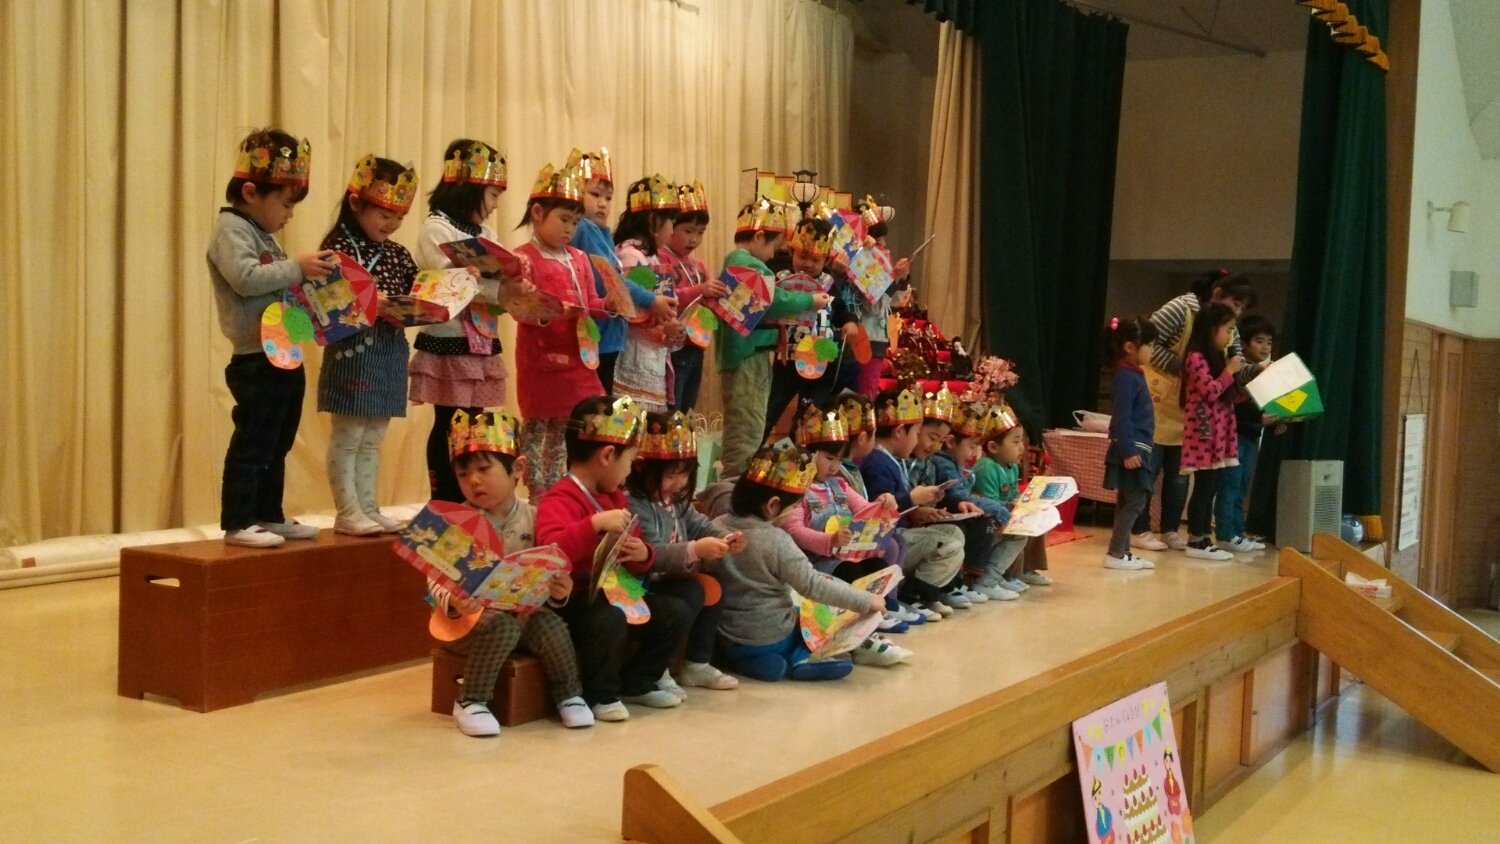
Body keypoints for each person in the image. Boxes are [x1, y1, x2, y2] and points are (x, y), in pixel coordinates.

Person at [433, 410, 593, 736]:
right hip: (469, 623)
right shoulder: (457, 522)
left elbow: (549, 571)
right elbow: (435, 576)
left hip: (522, 613)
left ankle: (569, 695)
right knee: (501, 626)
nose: (473, 480)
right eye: (463, 474)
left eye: (483, 469)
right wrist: (454, 600)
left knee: (551, 624)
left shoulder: (535, 517)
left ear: (517, 468)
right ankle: (470, 701)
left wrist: (558, 591)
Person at [534, 395, 691, 721]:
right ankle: (600, 695)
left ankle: (639, 681)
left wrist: (642, 553)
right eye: (630, 461)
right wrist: (593, 525)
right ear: (607, 455)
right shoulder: (558, 499)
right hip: (575, 600)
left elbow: (638, 545)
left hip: (618, 591)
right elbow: (551, 551)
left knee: (675, 611)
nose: (630, 471)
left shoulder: (615, 496)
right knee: (608, 618)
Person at [209, 129, 332, 548]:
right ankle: (239, 521)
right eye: (285, 203)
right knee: (254, 440)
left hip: (283, 351)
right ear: (250, 192)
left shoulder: (265, 236)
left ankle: (268, 514)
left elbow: (279, 290)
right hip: (255, 357)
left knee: (278, 441)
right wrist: (297, 268)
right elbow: (245, 279)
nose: (289, 215)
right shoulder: (231, 228)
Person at [712, 441, 887, 682]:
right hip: (772, 633)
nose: (794, 511)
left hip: (728, 636)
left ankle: (752, 661)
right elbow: (813, 585)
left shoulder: (715, 526)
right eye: (793, 506)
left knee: (792, 616)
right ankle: (802, 658)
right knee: (818, 623)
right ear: (773, 505)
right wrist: (866, 600)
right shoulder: (777, 541)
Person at [318, 155, 423, 535]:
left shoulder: (398, 254)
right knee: (348, 436)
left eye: (399, 217)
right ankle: (348, 511)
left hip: (389, 351)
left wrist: (455, 283)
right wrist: (371, 301)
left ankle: (368, 507)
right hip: (351, 352)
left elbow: (420, 292)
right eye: (384, 213)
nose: (391, 224)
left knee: (373, 438)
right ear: (356, 202)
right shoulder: (336, 247)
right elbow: (325, 300)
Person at [411, 139, 518, 503]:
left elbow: (492, 279)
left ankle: (470, 495)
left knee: (474, 423)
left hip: (482, 339)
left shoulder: (486, 235)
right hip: (449, 338)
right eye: (492, 195)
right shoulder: (436, 229)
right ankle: (444, 497)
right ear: (468, 188)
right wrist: (494, 288)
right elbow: (450, 280)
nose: (495, 205)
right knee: (448, 422)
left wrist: (512, 282)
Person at [1135, 271, 1259, 551]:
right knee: (1148, 471)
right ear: (1216, 295)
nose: (1237, 313)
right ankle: (1139, 528)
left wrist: (1257, 370)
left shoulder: (1227, 327)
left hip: (1191, 413)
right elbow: (1147, 342)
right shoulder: (1182, 308)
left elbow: (1236, 367)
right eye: (1235, 304)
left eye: (1242, 308)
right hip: (1160, 399)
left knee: (1179, 477)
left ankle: (1170, 529)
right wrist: (1189, 370)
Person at [781, 401, 913, 663]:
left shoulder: (839, 484)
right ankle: (855, 637)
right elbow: (793, 530)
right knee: (852, 575)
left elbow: (864, 510)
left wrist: (882, 504)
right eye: (829, 458)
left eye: (840, 460)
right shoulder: (797, 489)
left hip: (842, 556)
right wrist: (829, 540)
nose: (834, 466)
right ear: (808, 453)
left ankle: (866, 629)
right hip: (813, 564)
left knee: (876, 567)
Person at [625, 411, 745, 696]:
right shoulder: (635, 504)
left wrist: (724, 537)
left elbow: (699, 524)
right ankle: (661, 667)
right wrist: (695, 550)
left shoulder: (675, 500)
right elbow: (653, 554)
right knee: (691, 592)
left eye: (685, 474)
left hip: (670, 579)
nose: (679, 483)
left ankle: (697, 663)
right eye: (671, 475)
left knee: (714, 584)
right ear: (641, 468)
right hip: (642, 583)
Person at [716, 200, 829, 476]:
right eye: (773, 248)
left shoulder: (737, 262)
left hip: (747, 355)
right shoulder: (747, 265)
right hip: (747, 358)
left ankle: (736, 480)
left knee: (748, 424)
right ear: (758, 237)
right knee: (747, 427)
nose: (771, 256)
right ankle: (734, 485)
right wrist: (809, 300)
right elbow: (773, 300)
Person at [514, 160, 606, 496]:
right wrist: (548, 311)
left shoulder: (579, 258)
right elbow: (518, 308)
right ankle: (536, 491)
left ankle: (558, 490)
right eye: (564, 220)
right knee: (538, 427)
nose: (570, 229)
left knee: (566, 429)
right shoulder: (523, 258)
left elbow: (591, 302)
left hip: (578, 358)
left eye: (575, 222)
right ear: (537, 213)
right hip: (542, 360)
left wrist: (609, 304)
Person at [568, 149, 673, 395]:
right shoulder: (583, 228)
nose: (603, 204)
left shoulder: (598, 232)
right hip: (598, 335)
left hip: (608, 335)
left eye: (608, 198)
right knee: (597, 407)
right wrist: (651, 300)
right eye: (595, 195)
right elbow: (610, 279)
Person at [860, 386, 967, 620]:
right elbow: (880, 513)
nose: (917, 440)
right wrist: (912, 499)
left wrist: (919, 510)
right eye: (917, 433)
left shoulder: (891, 460)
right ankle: (910, 595)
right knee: (949, 546)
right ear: (900, 431)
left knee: (954, 533)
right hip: (889, 539)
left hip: (902, 531)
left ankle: (927, 591)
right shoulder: (878, 463)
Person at [763, 216, 854, 436]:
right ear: (791, 251)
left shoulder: (829, 284)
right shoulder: (780, 280)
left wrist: (850, 322)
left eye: (816, 260)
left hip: (820, 362)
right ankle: (752, 451)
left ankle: (801, 451)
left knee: (811, 414)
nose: (808, 264)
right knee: (770, 409)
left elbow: (841, 310)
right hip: (787, 360)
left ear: (826, 260)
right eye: (803, 256)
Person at [904, 386, 994, 607]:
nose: (935, 446)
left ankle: (938, 589)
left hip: (921, 519)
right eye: (931, 437)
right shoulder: (901, 462)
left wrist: (936, 505)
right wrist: (917, 510)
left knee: (963, 528)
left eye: (940, 441)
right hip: (904, 526)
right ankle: (915, 594)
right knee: (958, 532)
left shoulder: (930, 463)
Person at [930, 401, 1021, 600]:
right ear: (951, 442)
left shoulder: (956, 463)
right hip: (946, 516)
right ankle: (969, 581)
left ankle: (989, 578)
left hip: (960, 513)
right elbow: (958, 495)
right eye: (971, 446)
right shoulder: (944, 463)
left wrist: (1006, 506)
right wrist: (998, 509)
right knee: (982, 526)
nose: (973, 454)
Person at [1178, 303, 1244, 561]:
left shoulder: (1217, 357)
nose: (1230, 336)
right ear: (1211, 329)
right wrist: (1229, 371)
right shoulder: (1196, 357)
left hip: (1220, 431)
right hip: (1203, 433)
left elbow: (1226, 394)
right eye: (1227, 330)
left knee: (1212, 488)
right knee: (1204, 489)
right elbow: (1210, 390)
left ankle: (1206, 537)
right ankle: (1196, 539)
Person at [613, 175, 682, 412]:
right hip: (634, 355)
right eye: (671, 222)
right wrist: (663, 326)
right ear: (653, 221)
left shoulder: (649, 256)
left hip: (650, 355)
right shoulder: (630, 254)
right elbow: (628, 311)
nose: (672, 230)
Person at [1216, 315, 1281, 553]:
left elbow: (1262, 407)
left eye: (1269, 342)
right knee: (1230, 486)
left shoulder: (1264, 373)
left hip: (1251, 437)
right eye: (1259, 341)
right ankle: (1225, 534)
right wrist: (1258, 418)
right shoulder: (1240, 372)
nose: (1265, 347)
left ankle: (1238, 533)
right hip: (1235, 436)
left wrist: (1276, 421)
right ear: (1243, 344)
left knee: (1241, 488)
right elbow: (1235, 407)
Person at [1101, 316, 1161, 571]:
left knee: (1128, 502)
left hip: (1137, 447)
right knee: (1136, 502)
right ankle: (1116, 553)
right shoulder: (1127, 377)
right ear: (1130, 347)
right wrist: (1128, 451)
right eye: (1149, 345)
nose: (1152, 351)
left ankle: (1121, 552)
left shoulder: (1133, 375)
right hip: (1133, 449)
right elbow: (1121, 416)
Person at [659, 182, 722, 411]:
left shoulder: (699, 266)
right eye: (688, 231)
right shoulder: (661, 258)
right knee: (672, 409)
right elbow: (666, 299)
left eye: (700, 233)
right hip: (673, 348)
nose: (694, 239)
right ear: (670, 227)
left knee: (687, 411)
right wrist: (700, 290)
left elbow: (709, 305)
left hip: (696, 346)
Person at [970, 401, 1042, 589]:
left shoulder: (1011, 466)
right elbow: (989, 504)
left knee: (1037, 517)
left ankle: (1019, 572)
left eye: (1022, 441)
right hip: (987, 522)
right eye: (1016, 442)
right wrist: (1015, 508)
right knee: (1019, 533)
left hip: (1004, 514)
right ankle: (990, 578)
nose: (1022, 448)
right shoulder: (986, 467)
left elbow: (1012, 494)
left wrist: (1023, 502)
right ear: (994, 447)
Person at [854, 199, 912, 397]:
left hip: (877, 337)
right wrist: (894, 278)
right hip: (866, 337)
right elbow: (874, 305)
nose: (884, 245)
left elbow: (894, 302)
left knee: (866, 392)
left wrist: (901, 278)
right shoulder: (859, 263)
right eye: (878, 241)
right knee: (864, 395)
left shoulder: (875, 262)